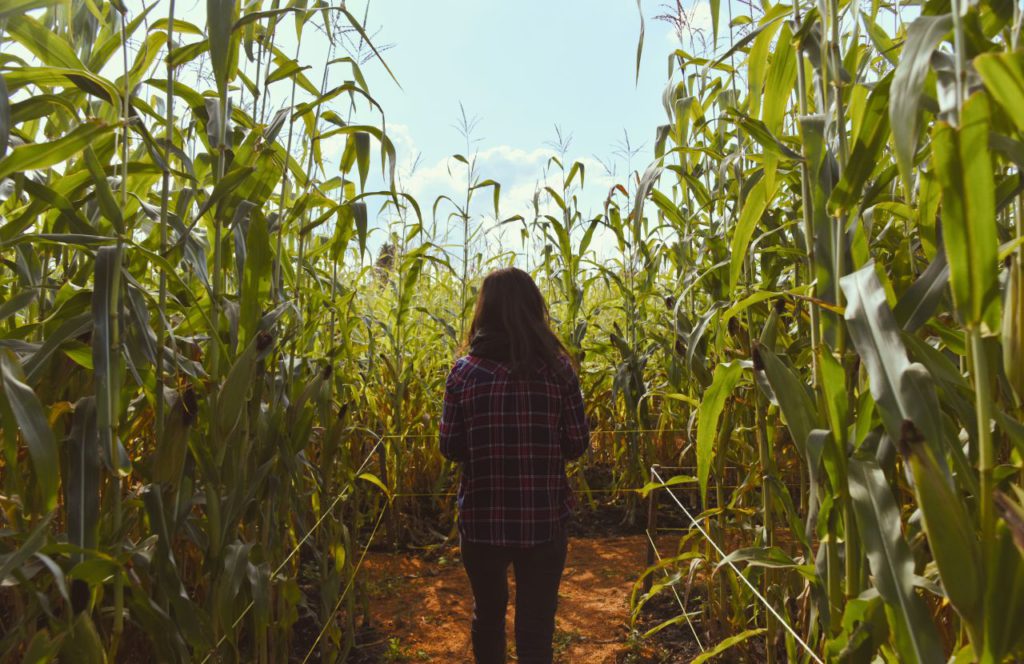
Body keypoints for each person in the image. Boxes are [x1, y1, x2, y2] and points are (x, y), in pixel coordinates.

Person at [439, 267, 590, 664]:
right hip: (542, 522)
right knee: (536, 630)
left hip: (482, 522)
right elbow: (577, 445)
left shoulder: (463, 373)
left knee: (487, 616)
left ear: (483, 312)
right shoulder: (558, 371)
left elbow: (450, 447)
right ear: (532, 309)